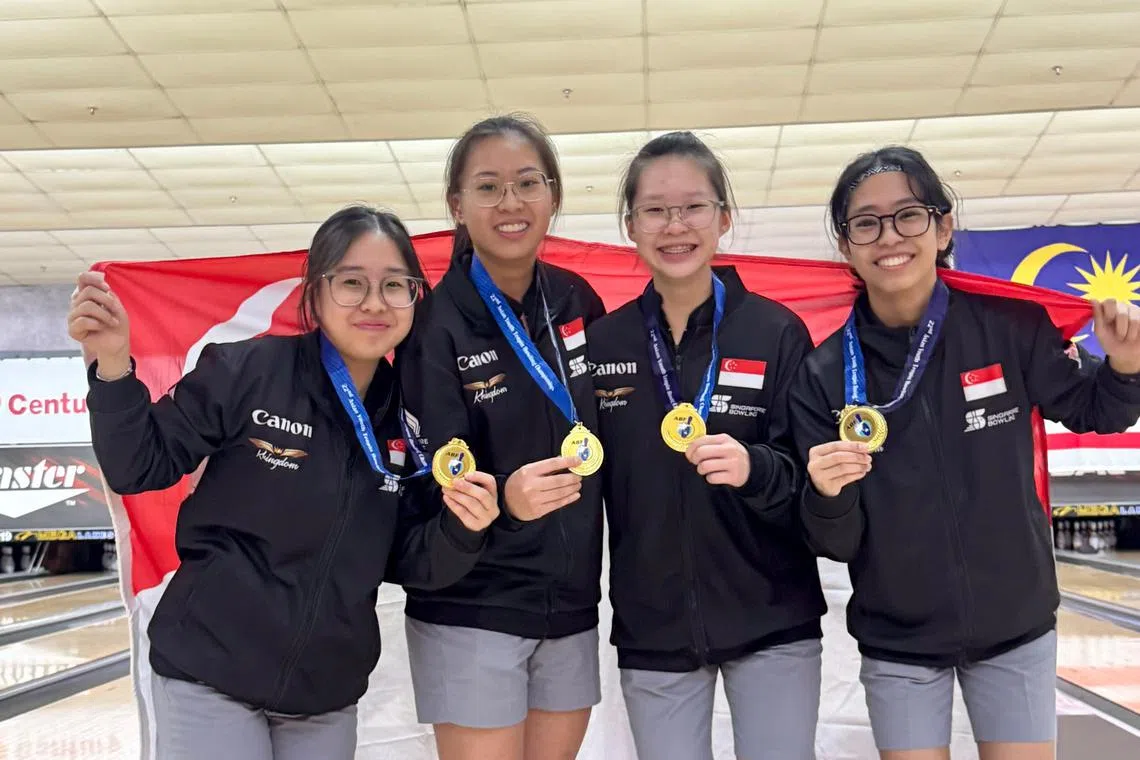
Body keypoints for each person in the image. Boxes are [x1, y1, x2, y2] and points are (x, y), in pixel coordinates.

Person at [66, 205, 501, 760]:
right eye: (351, 283)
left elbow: (411, 562)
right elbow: (138, 466)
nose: (373, 302)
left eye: (394, 285)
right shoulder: (247, 371)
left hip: (324, 698)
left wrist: (463, 529)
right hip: (210, 672)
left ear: (416, 297)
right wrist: (112, 367)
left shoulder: (413, 418)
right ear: (315, 293)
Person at [788, 146, 1140, 760]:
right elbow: (835, 544)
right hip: (899, 640)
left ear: (943, 225)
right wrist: (827, 494)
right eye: (865, 223)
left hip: (1016, 627)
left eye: (908, 215)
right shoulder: (822, 374)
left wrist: (1127, 365)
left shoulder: (1009, 327)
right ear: (845, 246)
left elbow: (1095, 412)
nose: (888, 237)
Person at [585, 131, 825, 760]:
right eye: (655, 210)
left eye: (692, 206)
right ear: (630, 225)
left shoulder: (775, 331)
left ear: (724, 217)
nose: (675, 225)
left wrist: (756, 469)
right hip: (654, 626)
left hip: (773, 618)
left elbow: (814, 480)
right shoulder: (604, 344)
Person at [400, 114, 607, 760]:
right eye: (488, 188)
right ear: (456, 205)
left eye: (527, 183)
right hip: (474, 605)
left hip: (569, 604)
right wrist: (506, 504)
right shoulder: (430, 327)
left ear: (553, 196)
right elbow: (436, 475)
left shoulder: (577, 302)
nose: (511, 203)